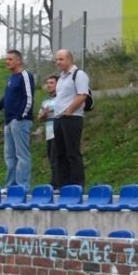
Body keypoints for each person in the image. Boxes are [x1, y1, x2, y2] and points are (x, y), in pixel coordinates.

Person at [0, 49, 34, 191]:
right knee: (9, 155)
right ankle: (11, 185)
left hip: (20, 120)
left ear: (18, 61)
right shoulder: (11, 78)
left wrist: (21, 116)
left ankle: (23, 185)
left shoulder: (25, 76)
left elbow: (29, 97)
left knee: (22, 154)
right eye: (6, 59)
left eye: (10, 59)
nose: (7, 62)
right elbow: (7, 97)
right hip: (8, 121)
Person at [52, 49, 90, 187]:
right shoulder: (61, 78)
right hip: (58, 118)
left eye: (61, 59)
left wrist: (69, 110)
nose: (58, 62)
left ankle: (76, 183)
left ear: (69, 59)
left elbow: (82, 95)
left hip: (72, 118)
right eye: (57, 59)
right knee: (60, 153)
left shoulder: (78, 74)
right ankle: (63, 183)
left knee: (72, 152)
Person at [37, 74, 59, 186]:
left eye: (51, 83)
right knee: (51, 157)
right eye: (47, 83)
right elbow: (39, 118)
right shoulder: (45, 101)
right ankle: (55, 182)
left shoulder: (61, 98)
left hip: (58, 132)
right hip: (49, 133)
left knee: (56, 158)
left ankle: (57, 183)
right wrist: (44, 115)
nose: (49, 85)